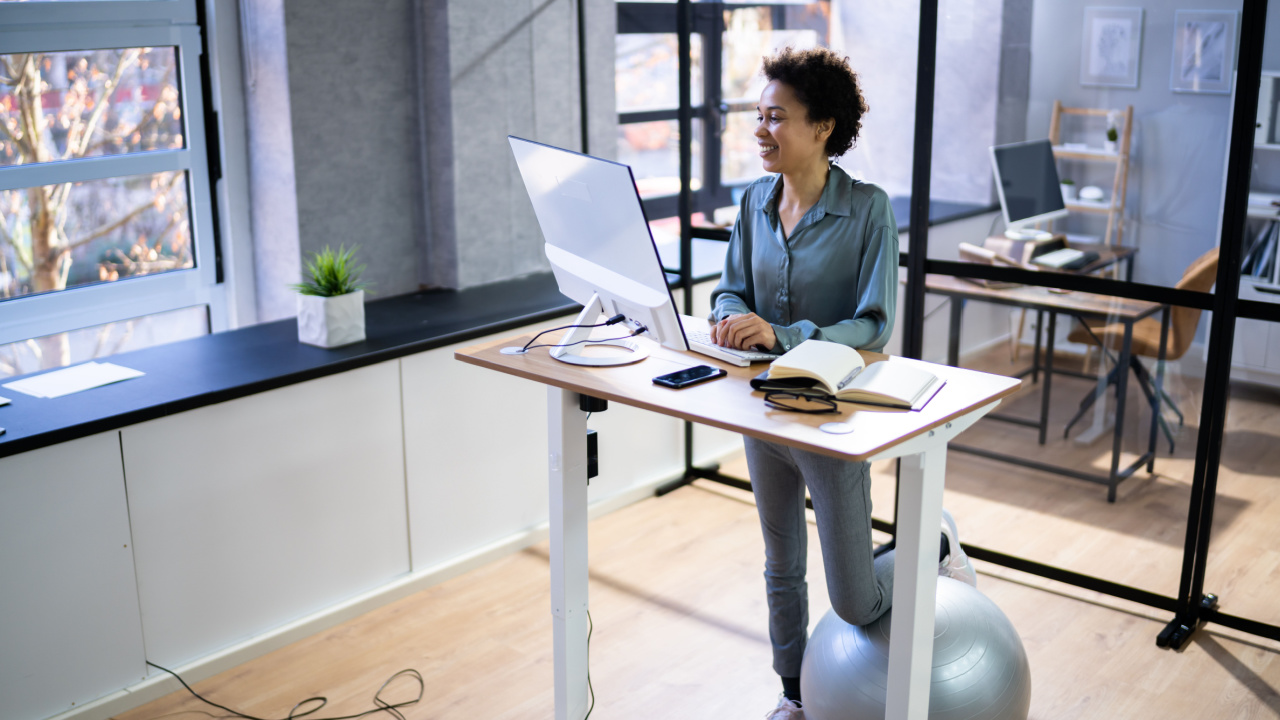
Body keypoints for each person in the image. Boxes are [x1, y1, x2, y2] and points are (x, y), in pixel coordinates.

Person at [707, 47, 969, 720]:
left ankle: (930, 543)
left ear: (823, 126)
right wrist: (733, 318)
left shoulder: (868, 210)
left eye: (776, 118)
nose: (761, 130)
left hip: (831, 420)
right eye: (758, 116)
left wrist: (783, 336)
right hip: (762, 414)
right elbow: (728, 292)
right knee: (780, 566)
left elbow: (874, 325)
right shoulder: (753, 203)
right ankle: (792, 695)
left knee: (855, 601)